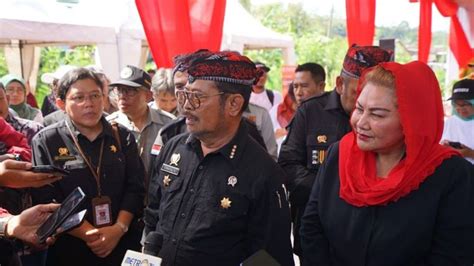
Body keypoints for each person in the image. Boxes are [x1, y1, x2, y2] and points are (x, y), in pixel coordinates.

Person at [300, 61, 474, 265]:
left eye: (377, 114)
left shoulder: (451, 174)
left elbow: (452, 255)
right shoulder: (339, 155)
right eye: (359, 108)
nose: (360, 123)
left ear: (412, 119)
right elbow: (312, 227)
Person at [143, 51, 294, 266]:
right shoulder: (173, 149)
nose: (185, 106)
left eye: (198, 97)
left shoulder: (264, 174)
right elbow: (154, 215)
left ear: (233, 104)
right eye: (184, 94)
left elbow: (268, 258)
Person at [278, 45, 392, 260]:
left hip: (373, 233)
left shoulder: (392, 120)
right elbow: (288, 165)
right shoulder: (310, 111)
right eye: (358, 93)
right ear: (340, 84)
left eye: (376, 106)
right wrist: (332, 193)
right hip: (314, 229)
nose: (365, 104)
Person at [31, 67, 145, 265]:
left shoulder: (122, 136)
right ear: (61, 103)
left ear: (105, 98)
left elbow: (135, 186)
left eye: (95, 96)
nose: (89, 104)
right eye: (78, 98)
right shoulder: (47, 140)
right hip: (71, 247)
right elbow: (46, 198)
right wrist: (89, 234)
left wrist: (118, 229)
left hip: (121, 242)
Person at [107, 65, 175, 192]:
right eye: (119, 90)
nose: (122, 96)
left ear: (148, 95)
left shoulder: (168, 124)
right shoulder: (108, 126)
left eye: (130, 91)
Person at [441, 78, 474, 164]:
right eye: (456, 104)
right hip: (453, 174)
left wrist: (470, 153)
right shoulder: (447, 124)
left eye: (466, 103)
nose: (460, 108)